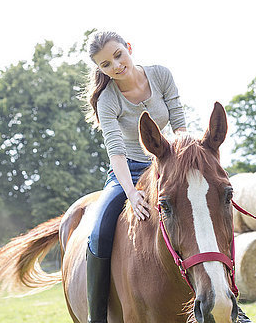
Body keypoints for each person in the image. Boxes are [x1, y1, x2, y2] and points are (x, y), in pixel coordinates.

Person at [84, 31, 187, 323]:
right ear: (100, 69)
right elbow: (115, 153)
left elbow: (180, 126)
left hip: (167, 163)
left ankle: (227, 300)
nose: (115, 66)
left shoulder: (161, 75)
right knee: (100, 230)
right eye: (105, 64)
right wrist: (131, 193)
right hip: (126, 172)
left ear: (129, 48)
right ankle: (97, 316)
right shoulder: (107, 99)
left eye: (118, 55)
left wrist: (185, 165)